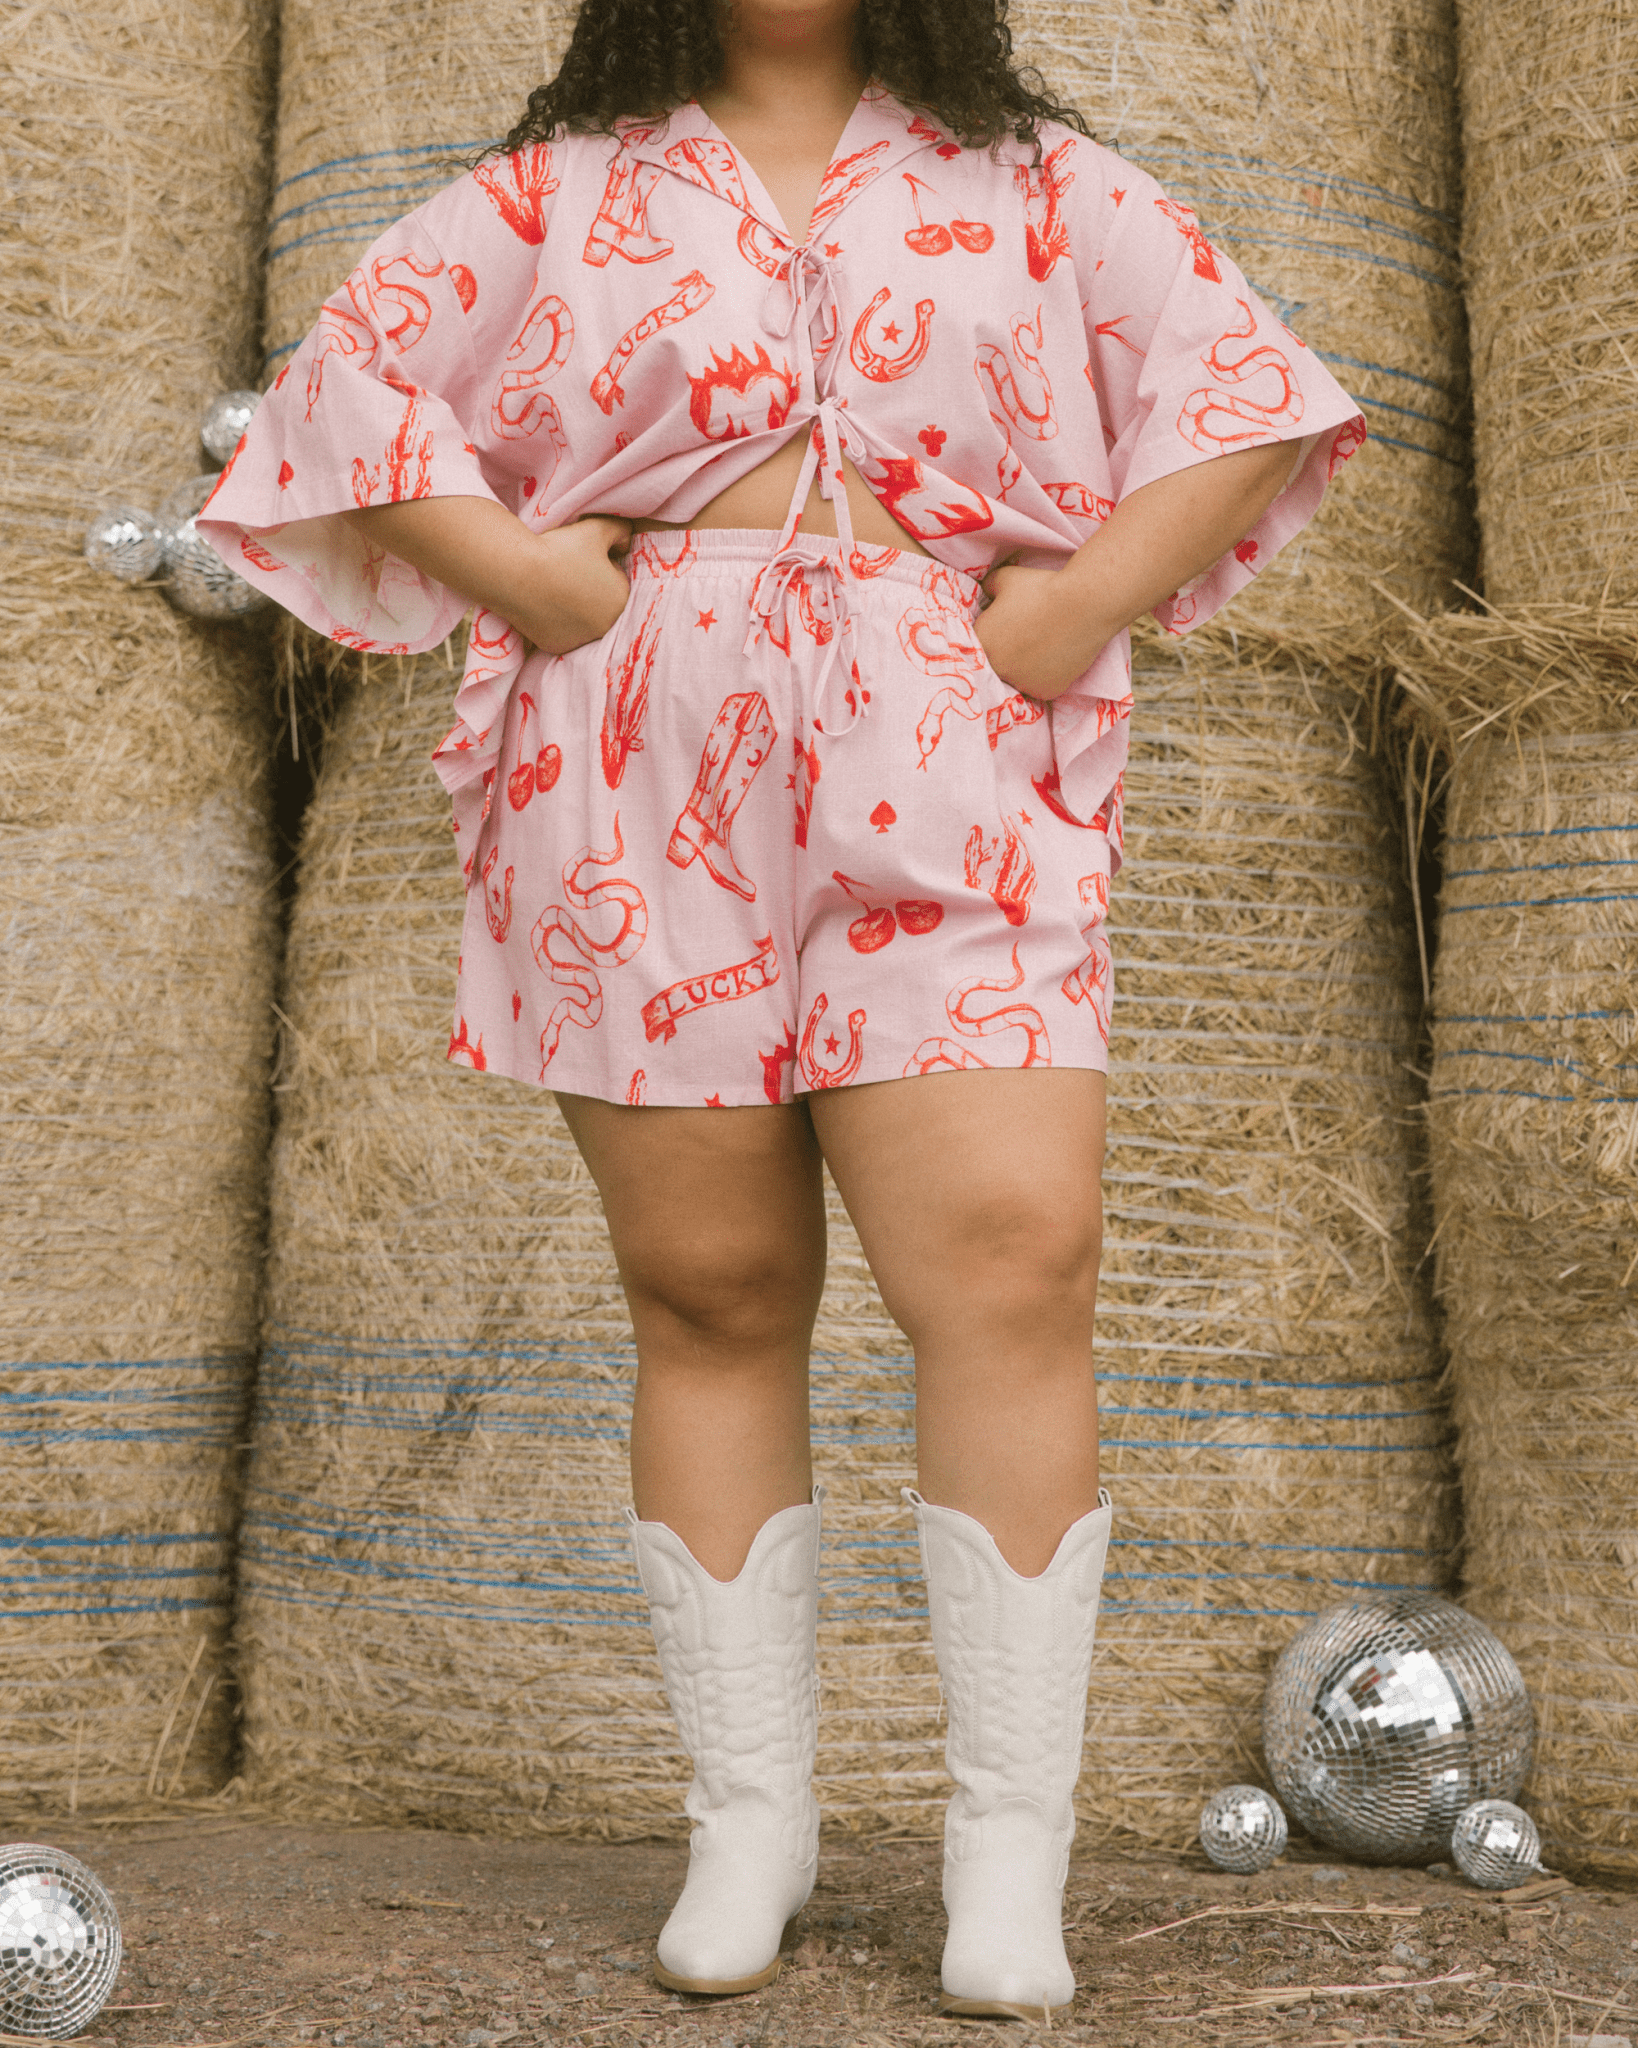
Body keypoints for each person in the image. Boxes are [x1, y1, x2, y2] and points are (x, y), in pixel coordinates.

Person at [204, 0, 1363, 2019]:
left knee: (1013, 1252)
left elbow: (1248, 390)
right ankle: (750, 1824)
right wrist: (536, 583)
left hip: (941, 731)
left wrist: (1075, 605)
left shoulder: (1033, 181)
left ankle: (1005, 1858)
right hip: (638, 755)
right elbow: (338, 397)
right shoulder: (561, 189)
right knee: (713, 1284)